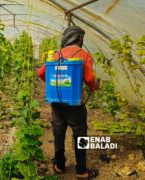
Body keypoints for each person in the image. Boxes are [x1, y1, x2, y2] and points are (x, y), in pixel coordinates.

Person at [37, 26, 100, 179]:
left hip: (57, 103)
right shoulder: (84, 55)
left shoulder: (56, 55)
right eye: (82, 38)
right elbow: (90, 79)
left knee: (58, 134)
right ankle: (81, 171)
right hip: (74, 104)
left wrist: (52, 83)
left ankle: (59, 165)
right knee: (80, 135)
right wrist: (94, 86)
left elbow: (41, 73)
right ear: (78, 38)